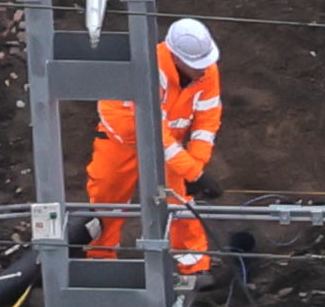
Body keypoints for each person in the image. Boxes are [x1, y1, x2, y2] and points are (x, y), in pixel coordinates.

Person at [83, 20, 223, 283]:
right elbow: (153, 133)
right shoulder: (149, 69)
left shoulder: (207, 71)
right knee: (107, 199)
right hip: (122, 139)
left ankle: (194, 267)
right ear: (177, 58)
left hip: (167, 142)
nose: (204, 69)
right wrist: (193, 172)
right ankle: (100, 262)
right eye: (198, 64)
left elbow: (207, 121)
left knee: (180, 201)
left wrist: (196, 164)